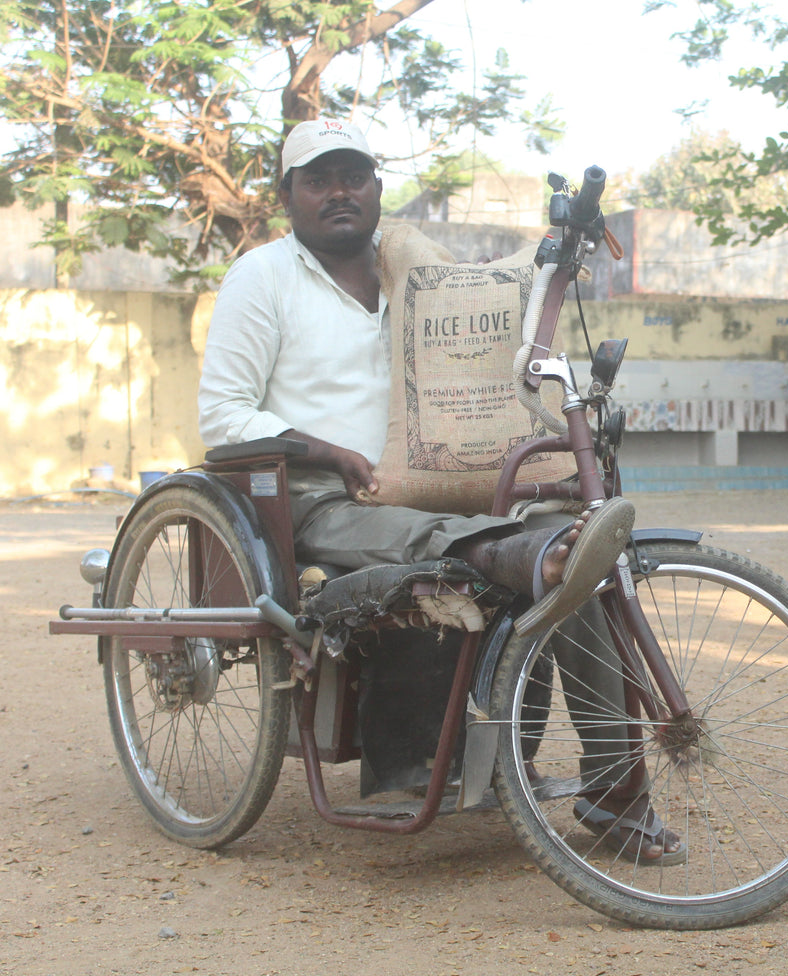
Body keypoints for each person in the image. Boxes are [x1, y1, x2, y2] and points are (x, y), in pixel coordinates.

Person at [198, 119, 683, 864]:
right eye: (318, 179)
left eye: (353, 176)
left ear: (378, 188)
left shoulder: (415, 279)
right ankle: (523, 558)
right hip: (312, 496)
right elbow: (223, 416)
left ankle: (614, 791)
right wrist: (332, 451)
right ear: (287, 194)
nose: (338, 193)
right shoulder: (261, 278)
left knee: (571, 542)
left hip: (431, 483)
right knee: (497, 549)